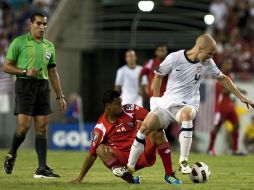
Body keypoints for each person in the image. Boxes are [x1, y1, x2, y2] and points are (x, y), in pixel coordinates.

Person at [123, 34, 254, 175]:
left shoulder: (208, 64)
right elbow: (158, 75)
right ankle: (129, 167)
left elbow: (222, 78)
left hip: (188, 104)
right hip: (167, 103)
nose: (212, 57)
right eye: (210, 53)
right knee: (144, 128)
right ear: (200, 48)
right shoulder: (175, 58)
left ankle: (183, 161)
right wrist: (154, 99)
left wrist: (241, 97)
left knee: (187, 115)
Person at [3, 12, 66, 178]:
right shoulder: (19, 42)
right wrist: (24, 71)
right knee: (24, 127)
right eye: (38, 23)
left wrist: (60, 95)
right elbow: (6, 67)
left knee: (42, 128)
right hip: (24, 85)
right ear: (30, 24)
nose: (42, 27)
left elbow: (52, 71)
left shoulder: (49, 46)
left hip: (43, 87)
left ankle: (41, 168)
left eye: (44, 24)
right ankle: (11, 154)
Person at [70, 90, 182, 184]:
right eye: (117, 104)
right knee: (99, 148)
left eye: (121, 102)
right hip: (124, 162)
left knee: (158, 131)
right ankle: (128, 178)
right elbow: (91, 155)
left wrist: (146, 125)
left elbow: (152, 118)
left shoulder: (130, 110)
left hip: (141, 153)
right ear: (108, 106)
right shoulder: (100, 128)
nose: (121, 106)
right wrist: (80, 177)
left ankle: (169, 175)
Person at [208, 59, 245, 155]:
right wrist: (238, 91)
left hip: (230, 106)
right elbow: (223, 91)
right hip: (221, 107)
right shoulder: (218, 76)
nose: (229, 66)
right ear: (222, 65)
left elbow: (230, 89)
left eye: (230, 64)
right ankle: (210, 149)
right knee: (216, 128)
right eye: (227, 63)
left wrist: (237, 90)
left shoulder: (231, 75)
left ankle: (234, 149)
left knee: (237, 125)